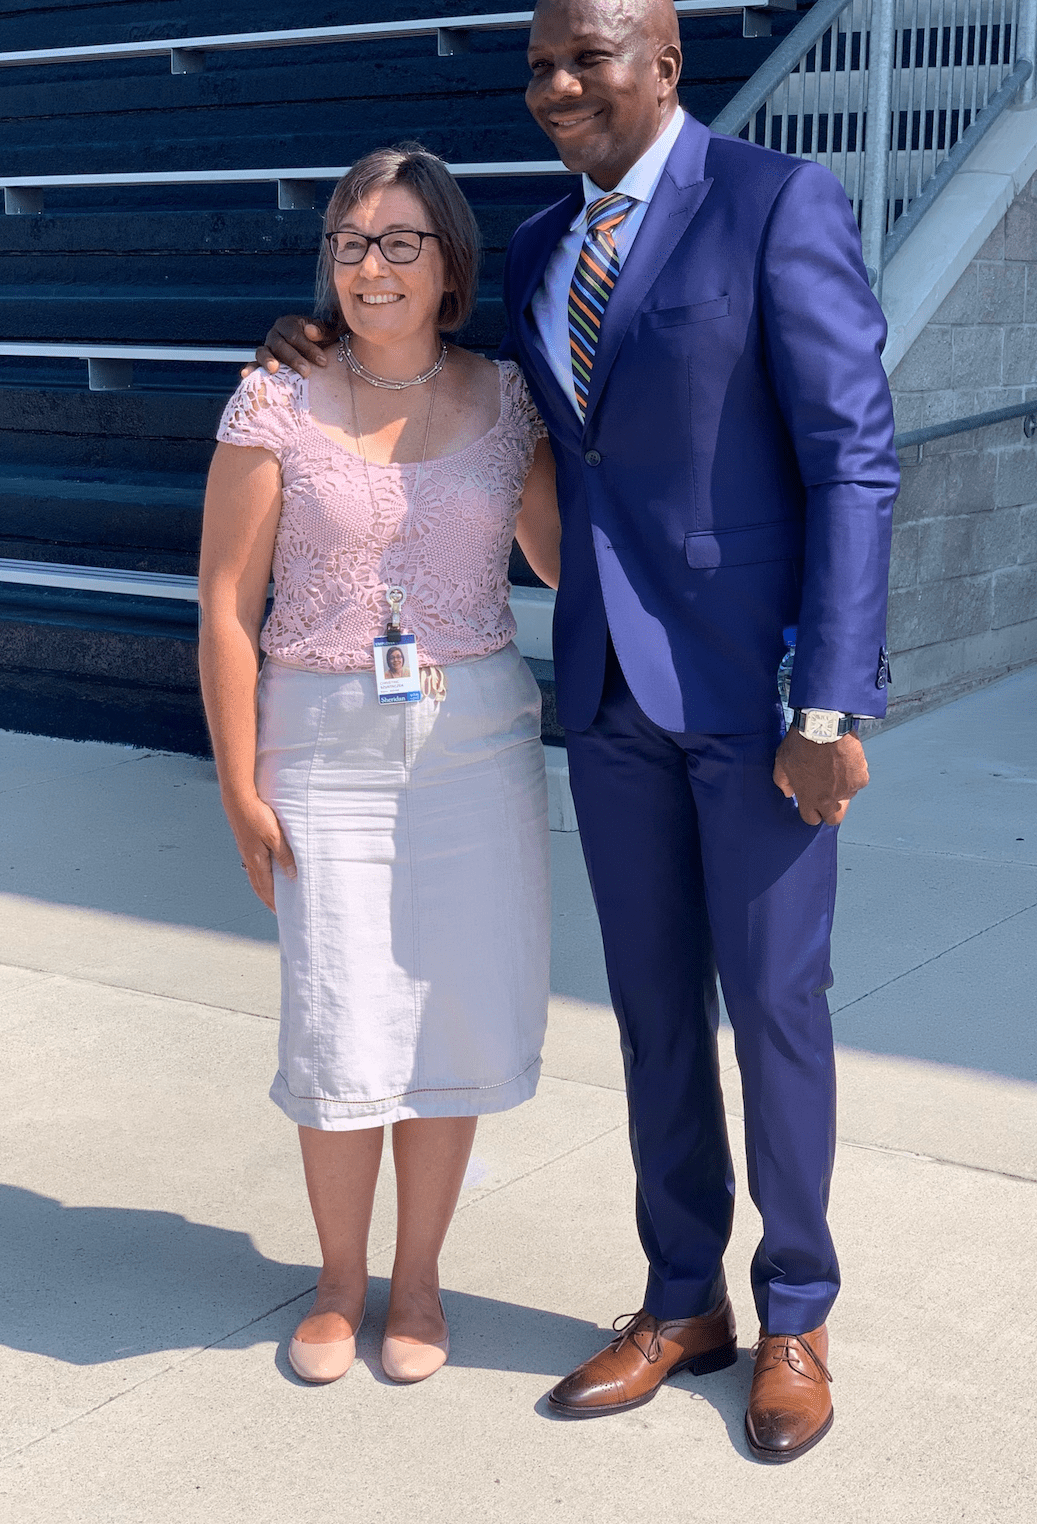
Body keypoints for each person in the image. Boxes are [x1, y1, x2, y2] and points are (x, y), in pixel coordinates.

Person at [260, 0, 899, 1461]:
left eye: (586, 57)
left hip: (761, 708)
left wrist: (829, 700)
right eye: (540, 62)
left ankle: (793, 1310)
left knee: (777, 1012)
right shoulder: (548, 248)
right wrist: (321, 336)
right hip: (611, 697)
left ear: (663, 65)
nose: (555, 84)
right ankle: (684, 1299)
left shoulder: (774, 205)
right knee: (658, 1017)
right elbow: (492, 409)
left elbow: (854, 463)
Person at [199, 143, 561, 1388]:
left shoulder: (511, 401)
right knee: (340, 1012)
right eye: (352, 241)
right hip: (320, 744)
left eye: (400, 240)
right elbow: (223, 605)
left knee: (448, 1009)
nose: (371, 264)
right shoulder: (273, 399)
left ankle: (418, 1284)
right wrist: (238, 785)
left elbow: (563, 562)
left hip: (476, 745)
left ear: (449, 261)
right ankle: (340, 1282)